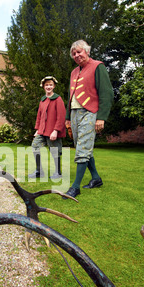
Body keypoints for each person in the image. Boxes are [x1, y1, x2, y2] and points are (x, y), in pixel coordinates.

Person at [65, 40, 113, 198]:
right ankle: (96, 179)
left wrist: (101, 117)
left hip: (90, 112)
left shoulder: (97, 66)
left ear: (87, 51)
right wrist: (67, 119)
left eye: (79, 52)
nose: (77, 55)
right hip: (74, 113)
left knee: (82, 149)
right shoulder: (73, 72)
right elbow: (70, 96)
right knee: (83, 147)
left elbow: (106, 93)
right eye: (74, 53)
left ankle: (75, 188)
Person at [28, 76, 66, 179]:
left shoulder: (58, 99)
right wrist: (37, 129)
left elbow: (61, 116)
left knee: (55, 151)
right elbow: (39, 116)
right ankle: (39, 171)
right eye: (47, 85)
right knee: (35, 146)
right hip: (42, 131)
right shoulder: (43, 100)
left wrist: (56, 130)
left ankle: (58, 173)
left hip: (52, 131)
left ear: (54, 86)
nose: (48, 87)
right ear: (43, 86)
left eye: (50, 85)